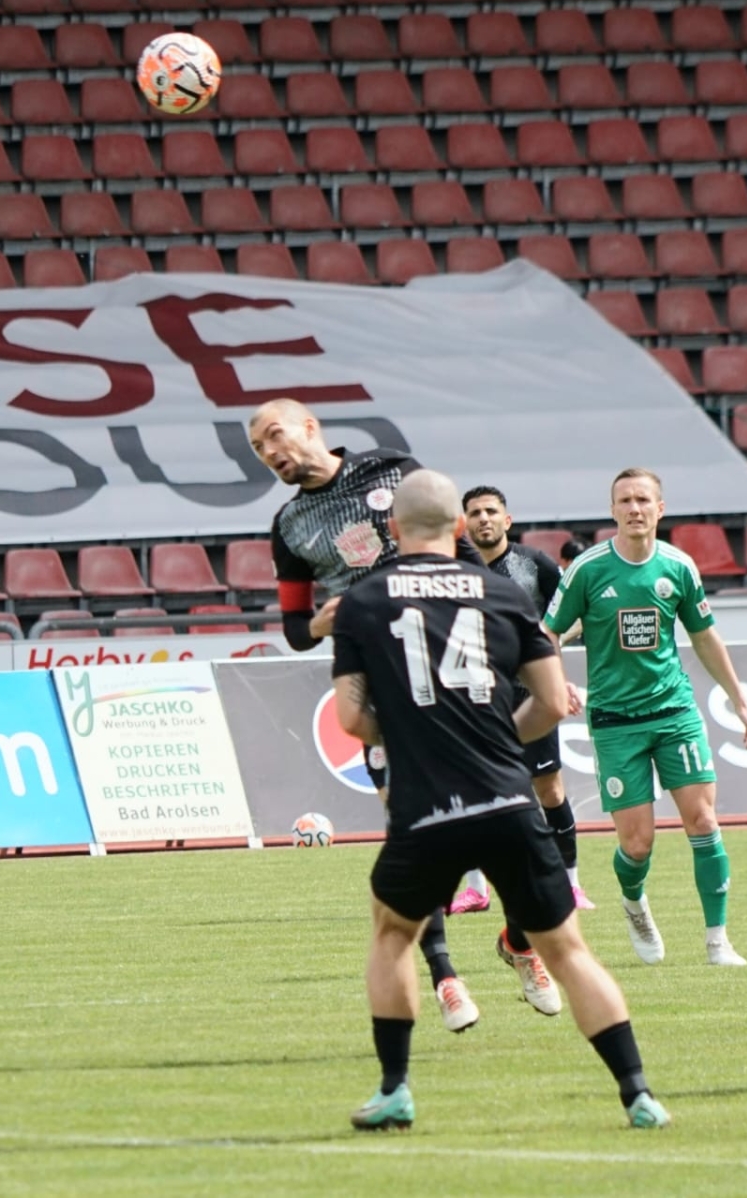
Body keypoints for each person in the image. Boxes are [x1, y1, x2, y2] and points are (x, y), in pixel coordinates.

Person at [331, 468, 669, 1131]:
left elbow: (349, 718)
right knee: (568, 951)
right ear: (460, 527)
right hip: (510, 804)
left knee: (392, 934)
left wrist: (409, 737)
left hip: (425, 810)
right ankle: (638, 1095)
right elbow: (549, 704)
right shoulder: (503, 591)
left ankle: (395, 1089)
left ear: (393, 532)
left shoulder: (364, 600)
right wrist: (495, 744)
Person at [249, 398, 482, 1034]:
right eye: (259, 450)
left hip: (451, 663)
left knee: (498, 811)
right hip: (380, 680)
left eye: (275, 436)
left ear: (309, 428)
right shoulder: (290, 526)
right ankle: (446, 976)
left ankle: (521, 943)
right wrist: (327, 620)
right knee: (409, 829)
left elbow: (459, 546)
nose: (271, 453)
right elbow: (296, 628)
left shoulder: (390, 468)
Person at [542, 469, 747, 968]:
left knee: (703, 820)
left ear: (660, 509)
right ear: (613, 510)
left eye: (644, 499)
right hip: (616, 720)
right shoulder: (588, 570)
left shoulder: (679, 567)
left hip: (674, 711)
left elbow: (705, 635)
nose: (635, 508)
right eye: (625, 500)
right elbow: (547, 632)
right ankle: (634, 902)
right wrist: (556, 683)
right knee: (637, 844)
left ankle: (717, 941)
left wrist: (740, 702)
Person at [457, 485, 593, 1019]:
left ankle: (571, 884)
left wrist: (555, 675)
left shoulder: (536, 567)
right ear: (463, 523)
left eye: (491, 511)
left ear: (507, 518)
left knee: (548, 789)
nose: (484, 519)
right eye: (474, 513)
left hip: (530, 696)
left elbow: (565, 619)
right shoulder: (453, 570)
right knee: (478, 795)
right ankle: (474, 891)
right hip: (473, 698)